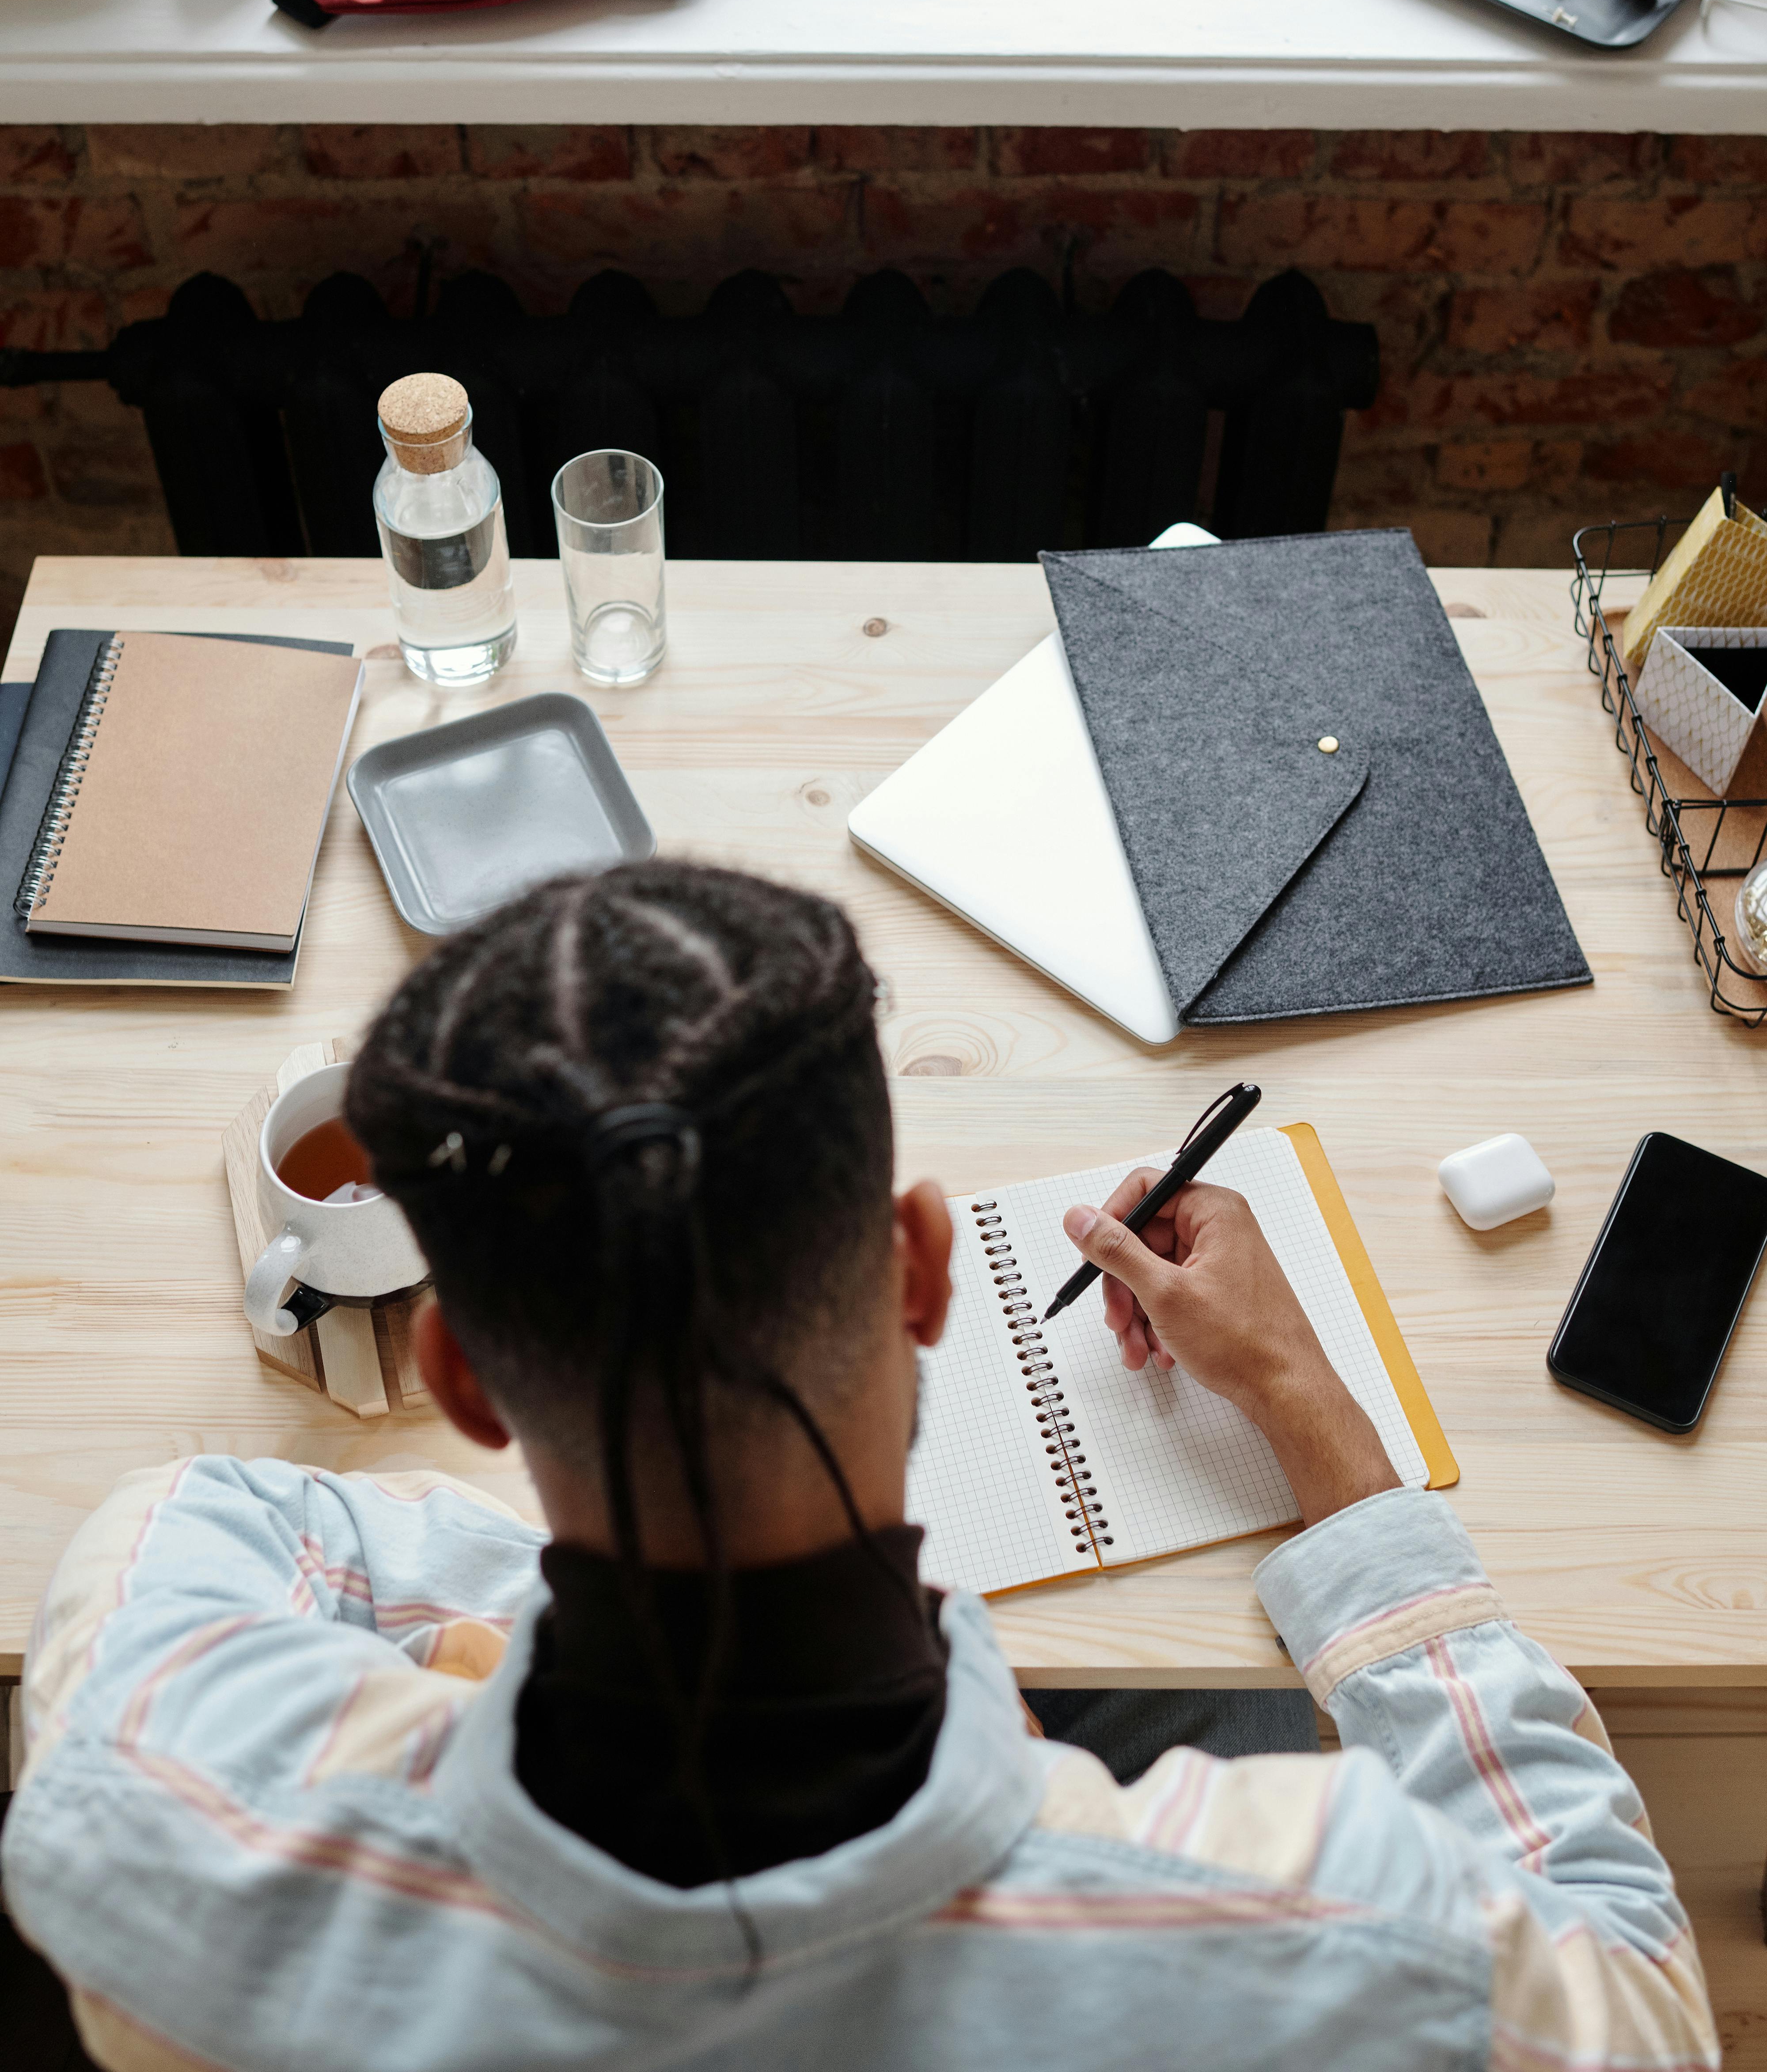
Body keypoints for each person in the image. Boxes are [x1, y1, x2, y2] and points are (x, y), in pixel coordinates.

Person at [2, 861, 1717, 2072]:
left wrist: (496, 1636)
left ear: (459, 1377)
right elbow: (1636, 1999)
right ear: (920, 1265)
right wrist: (1307, 1415)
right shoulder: (1332, 1930)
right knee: (1236, 1704)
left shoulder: (136, 1798)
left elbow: (206, 1515)